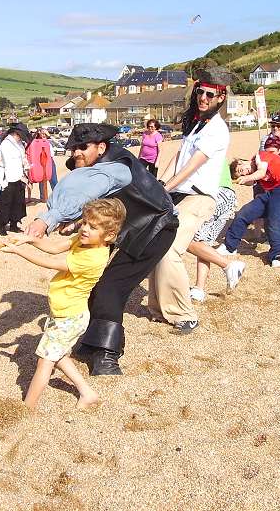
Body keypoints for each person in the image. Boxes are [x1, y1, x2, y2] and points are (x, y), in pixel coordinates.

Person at [25, 123, 177, 375]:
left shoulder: (115, 168)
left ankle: (108, 356)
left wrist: (48, 219)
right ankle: (92, 343)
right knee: (95, 283)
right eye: (74, 149)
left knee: (111, 287)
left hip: (155, 229)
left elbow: (90, 189)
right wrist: (73, 222)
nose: (76, 154)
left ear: (102, 147)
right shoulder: (97, 165)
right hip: (127, 228)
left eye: (83, 147)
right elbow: (100, 202)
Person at [4, 198, 125, 409]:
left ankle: (26, 408)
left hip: (70, 317)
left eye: (93, 227)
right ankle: (87, 393)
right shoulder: (86, 239)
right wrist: (28, 240)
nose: (85, 228)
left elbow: (52, 263)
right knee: (57, 355)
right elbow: (54, 248)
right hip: (63, 312)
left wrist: (18, 251)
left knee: (44, 362)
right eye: (85, 222)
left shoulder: (94, 257)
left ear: (109, 235)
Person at [153, 70, 233, 334]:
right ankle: (159, 307)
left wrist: (168, 185)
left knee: (171, 248)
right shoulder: (198, 124)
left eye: (210, 94)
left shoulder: (217, 129)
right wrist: (159, 184)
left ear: (220, 97)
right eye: (200, 91)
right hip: (180, 193)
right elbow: (178, 156)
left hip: (199, 196)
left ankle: (184, 314)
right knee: (155, 243)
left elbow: (192, 165)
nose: (203, 97)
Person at [220, 135, 280, 268]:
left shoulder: (260, 156)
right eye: (241, 174)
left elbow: (260, 172)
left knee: (276, 217)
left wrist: (246, 177)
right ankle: (229, 247)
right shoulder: (256, 178)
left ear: (242, 162)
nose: (244, 173)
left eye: (241, 170)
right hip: (273, 192)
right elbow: (253, 181)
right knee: (244, 213)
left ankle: (279, 254)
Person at [186, 160, 244, 303]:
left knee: (187, 239)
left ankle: (228, 265)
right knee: (202, 244)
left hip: (215, 194)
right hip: (228, 197)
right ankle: (199, 289)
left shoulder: (205, 147)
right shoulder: (222, 158)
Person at [0, 123, 30, 235]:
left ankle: (14, 224)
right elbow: (7, 162)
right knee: (5, 203)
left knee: (18, 202)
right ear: (16, 134)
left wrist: (25, 170)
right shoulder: (6, 145)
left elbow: (23, 158)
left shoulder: (20, 144)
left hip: (19, 176)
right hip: (8, 177)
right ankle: (1, 226)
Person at [26, 128, 54, 203]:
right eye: (32, 132)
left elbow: (53, 141)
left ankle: (50, 197)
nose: (33, 134)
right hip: (34, 161)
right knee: (30, 181)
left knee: (52, 179)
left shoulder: (46, 141)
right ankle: (36, 197)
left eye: (35, 132)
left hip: (47, 161)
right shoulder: (31, 142)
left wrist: (48, 135)